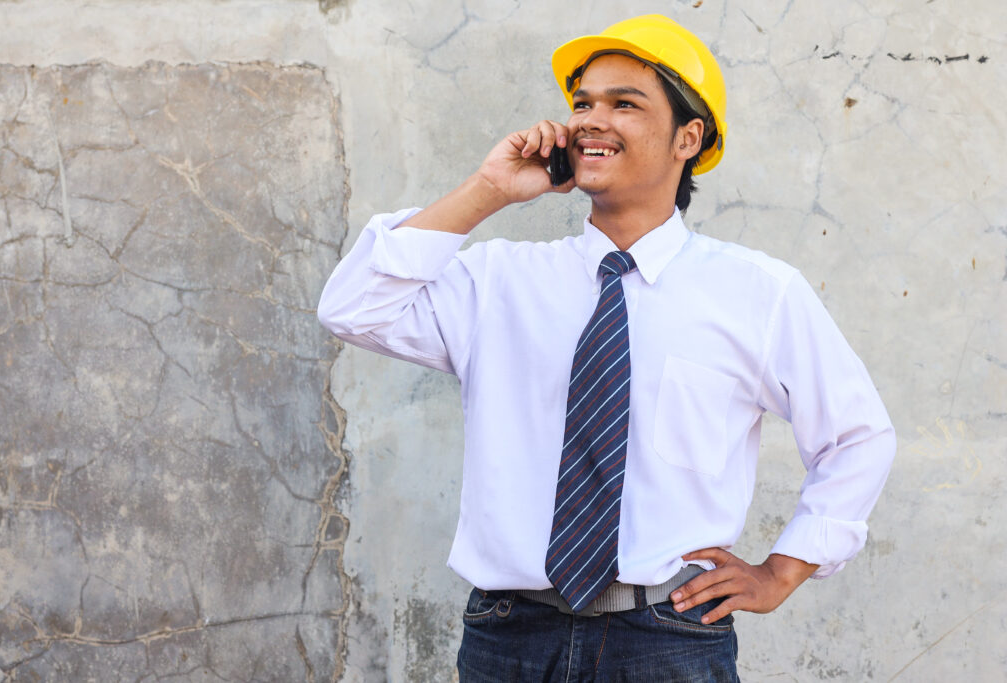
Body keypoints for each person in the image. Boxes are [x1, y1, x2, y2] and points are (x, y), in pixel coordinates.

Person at [318, 14, 895, 681]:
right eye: (582, 103)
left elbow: (858, 435)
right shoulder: (499, 280)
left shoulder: (759, 293)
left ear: (689, 136)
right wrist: (490, 190)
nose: (593, 119)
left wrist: (783, 569)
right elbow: (350, 306)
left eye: (625, 103)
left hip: (668, 636)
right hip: (510, 637)